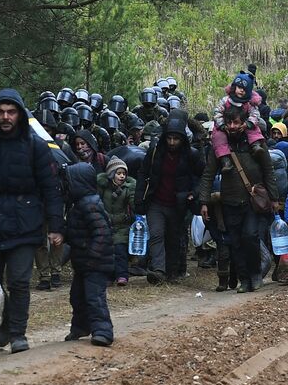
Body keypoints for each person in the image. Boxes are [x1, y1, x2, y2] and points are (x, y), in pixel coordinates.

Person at [0, 90, 64, 354]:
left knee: (20, 282)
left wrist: (56, 226)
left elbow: (50, 187)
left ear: (20, 114)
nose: (6, 117)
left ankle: (18, 333)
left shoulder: (36, 147)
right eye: (1, 112)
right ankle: (7, 318)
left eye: (11, 112)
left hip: (25, 224)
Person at [198, 105, 277, 293]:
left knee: (250, 236)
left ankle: (255, 274)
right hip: (229, 200)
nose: (232, 126)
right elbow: (208, 174)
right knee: (235, 242)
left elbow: (268, 170)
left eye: (236, 122)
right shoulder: (220, 145)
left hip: (251, 201)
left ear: (244, 123)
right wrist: (204, 202)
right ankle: (244, 280)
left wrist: (274, 198)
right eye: (229, 122)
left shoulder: (256, 142)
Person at [134, 114, 204, 285]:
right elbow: (143, 173)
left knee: (173, 238)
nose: (172, 142)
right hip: (156, 201)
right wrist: (139, 197)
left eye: (176, 139)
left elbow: (203, 177)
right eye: (169, 138)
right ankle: (158, 270)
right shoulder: (155, 152)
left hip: (178, 204)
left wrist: (193, 194)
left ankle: (172, 272)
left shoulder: (192, 155)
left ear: (182, 139)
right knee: (156, 234)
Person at [62, 162, 114, 346]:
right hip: (83, 263)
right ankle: (80, 326)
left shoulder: (90, 204)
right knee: (77, 296)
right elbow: (77, 232)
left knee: (94, 297)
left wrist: (92, 256)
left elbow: (102, 233)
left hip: (95, 263)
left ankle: (103, 331)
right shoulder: (77, 205)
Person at [97, 156, 136, 286]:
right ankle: (109, 276)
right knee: (107, 252)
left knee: (120, 251)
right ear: (111, 174)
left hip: (122, 225)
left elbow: (133, 205)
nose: (122, 176)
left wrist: (132, 193)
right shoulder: (103, 187)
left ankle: (122, 275)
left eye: (124, 173)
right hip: (106, 224)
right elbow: (98, 202)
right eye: (119, 173)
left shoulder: (127, 188)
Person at [210, 73, 264, 165]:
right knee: (218, 136)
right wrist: (222, 124)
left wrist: (248, 123)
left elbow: (255, 114)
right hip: (225, 125)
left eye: (244, 89)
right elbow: (217, 112)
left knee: (254, 130)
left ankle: (255, 145)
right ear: (234, 87)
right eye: (239, 87)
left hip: (243, 125)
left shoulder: (249, 103)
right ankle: (225, 159)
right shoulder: (226, 100)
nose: (241, 90)